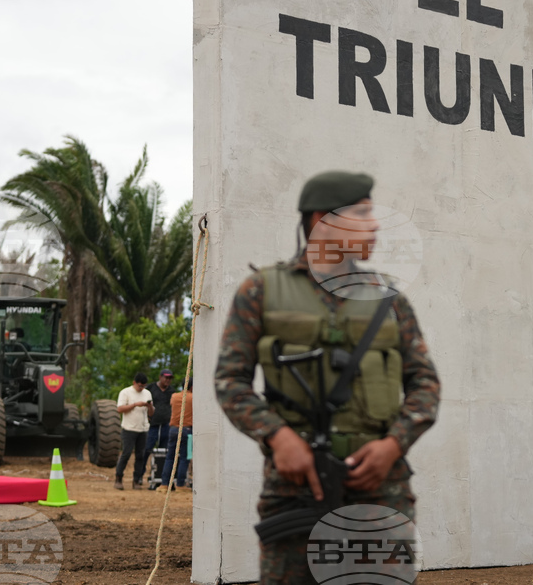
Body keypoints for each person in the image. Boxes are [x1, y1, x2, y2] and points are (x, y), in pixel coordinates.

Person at [214, 170, 440, 584]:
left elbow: (425, 384)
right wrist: (278, 437)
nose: (375, 225)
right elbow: (230, 381)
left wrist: (392, 445)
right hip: (295, 487)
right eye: (363, 214)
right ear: (322, 220)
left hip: (381, 488)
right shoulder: (260, 291)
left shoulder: (390, 300)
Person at [114, 372, 154, 490]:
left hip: (143, 428)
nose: (141, 388)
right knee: (126, 454)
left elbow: (151, 413)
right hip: (129, 428)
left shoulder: (147, 393)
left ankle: (136, 480)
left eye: (144, 386)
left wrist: (149, 406)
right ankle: (118, 478)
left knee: (140, 455)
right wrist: (135, 405)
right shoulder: (125, 392)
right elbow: (120, 409)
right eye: (140, 386)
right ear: (134, 383)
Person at [159, 378, 193, 490]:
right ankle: (180, 484)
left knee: (170, 457)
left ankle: (164, 484)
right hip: (187, 430)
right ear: (192, 387)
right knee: (184, 458)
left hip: (173, 429)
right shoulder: (193, 398)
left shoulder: (174, 396)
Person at [144, 369, 175, 467]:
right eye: (166, 377)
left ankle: (160, 472)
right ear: (160, 377)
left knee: (164, 450)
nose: (168, 380)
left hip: (166, 424)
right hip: (152, 424)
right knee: (147, 448)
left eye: (170, 378)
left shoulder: (172, 391)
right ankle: (140, 472)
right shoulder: (150, 388)